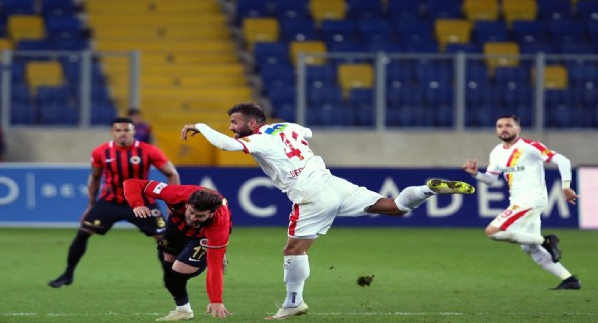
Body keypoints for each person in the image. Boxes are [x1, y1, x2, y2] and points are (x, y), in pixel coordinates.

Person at [180, 102, 476, 320]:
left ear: (253, 124)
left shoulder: (259, 139)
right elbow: (305, 131)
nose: (232, 128)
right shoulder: (288, 127)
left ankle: (294, 302)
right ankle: (428, 190)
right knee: (394, 207)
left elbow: (226, 146)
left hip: (310, 194)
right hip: (332, 182)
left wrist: (201, 126)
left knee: (294, 250)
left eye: (235, 122)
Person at [48, 117, 180, 288]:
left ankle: (170, 278)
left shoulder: (148, 150)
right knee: (83, 232)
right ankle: (67, 274)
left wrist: (173, 203)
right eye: (118, 130)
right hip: (111, 202)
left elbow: (172, 174)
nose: (122, 134)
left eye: (126, 130)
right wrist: (90, 205)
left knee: (163, 239)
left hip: (142, 202)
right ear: (112, 132)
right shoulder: (101, 152)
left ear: (134, 131)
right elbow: (95, 178)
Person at [462, 114, 581, 290]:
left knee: (492, 231)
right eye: (499, 126)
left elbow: (562, 160)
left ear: (518, 128)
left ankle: (545, 240)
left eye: (508, 125)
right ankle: (569, 279)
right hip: (518, 200)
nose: (503, 129)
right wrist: (476, 174)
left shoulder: (529, 147)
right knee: (529, 248)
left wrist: (566, 186)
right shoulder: (497, 152)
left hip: (531, 199)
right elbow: (491, 179)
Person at [124, 179, 232, 321]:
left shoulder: (219, 223)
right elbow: (132, 183)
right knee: (168, 269)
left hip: (203, 235)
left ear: (211, 214)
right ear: (187, 204)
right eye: (191, 212)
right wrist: (137, 204)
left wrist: (216, 300)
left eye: (200, 216)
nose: (193, 218)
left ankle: (214, 250)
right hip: (176, 225)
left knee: (178, 271)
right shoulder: (175, 194)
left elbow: (215, 267)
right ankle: (183, 310)